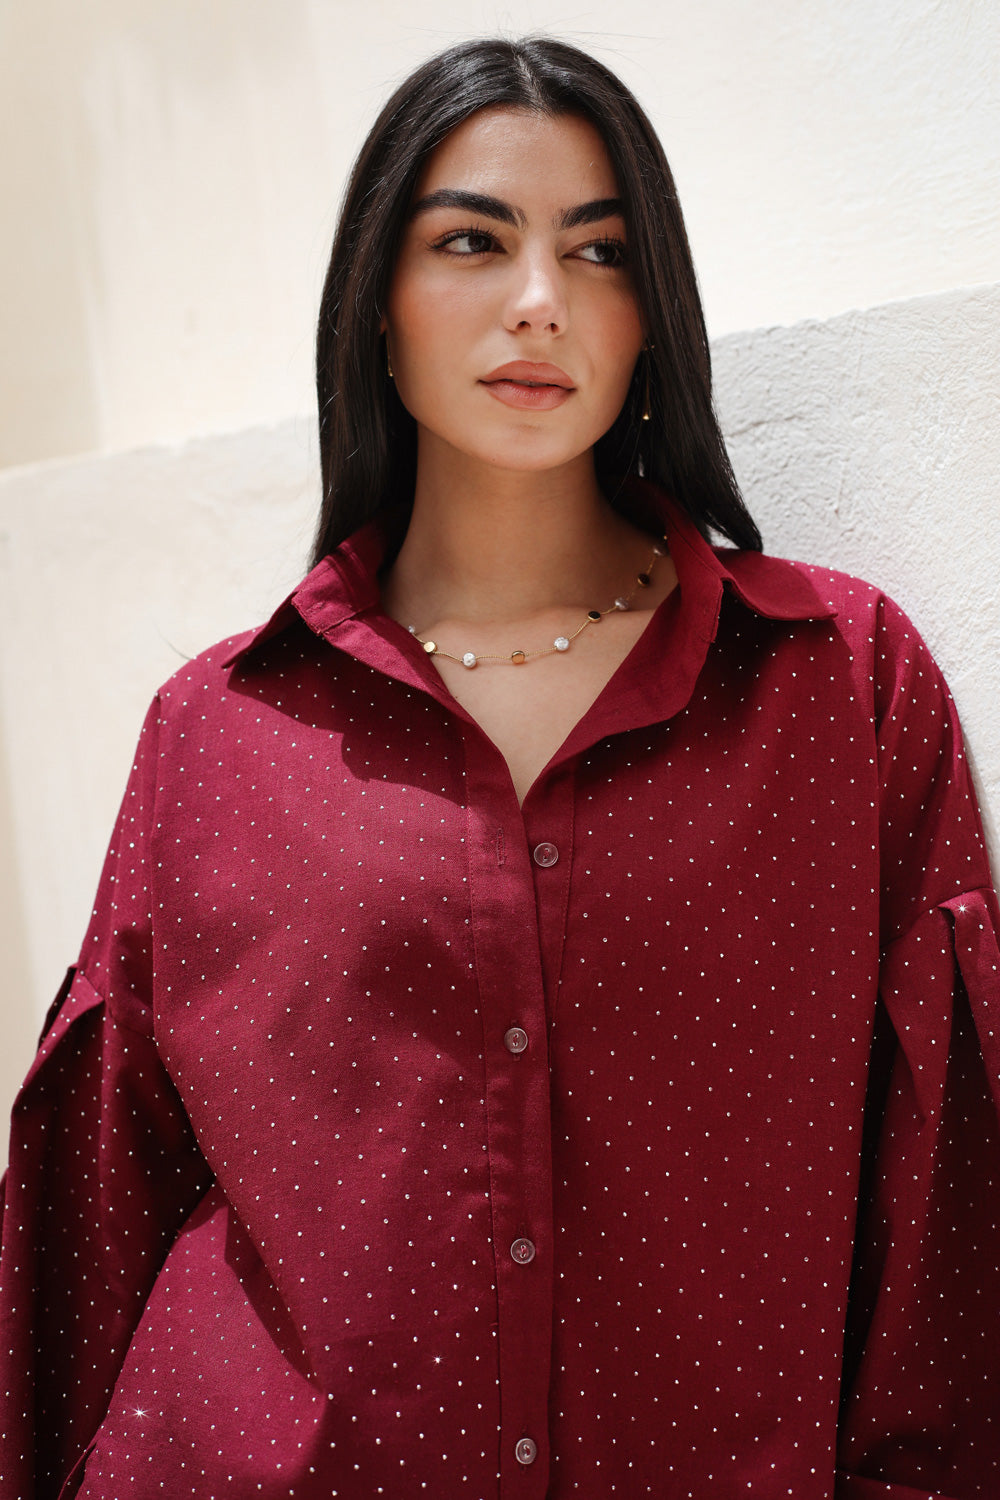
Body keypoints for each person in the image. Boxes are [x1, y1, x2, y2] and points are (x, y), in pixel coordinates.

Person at [1, 34, 998, 1500]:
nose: (542, 300)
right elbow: (95, 1201)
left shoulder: (837, 686)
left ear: (652, 316)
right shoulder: (218, 730)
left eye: (599, 253)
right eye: (473, 241)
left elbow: (945, 1188)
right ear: (378, 304)